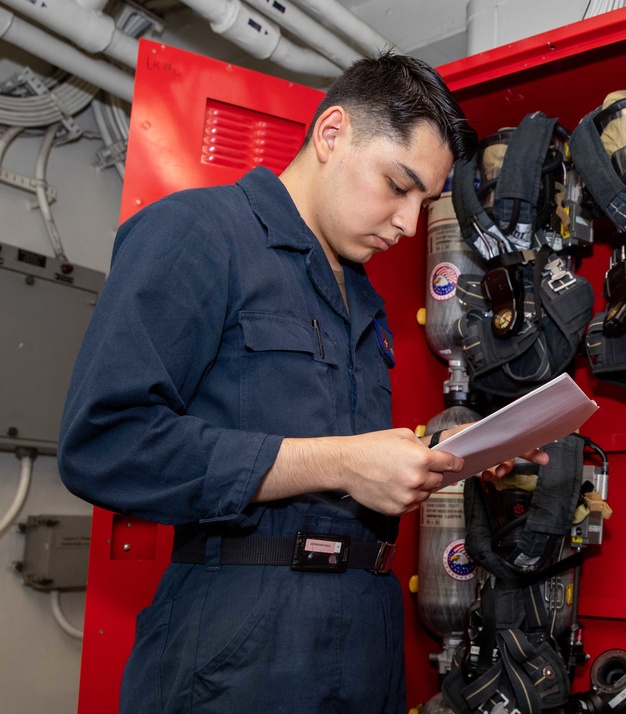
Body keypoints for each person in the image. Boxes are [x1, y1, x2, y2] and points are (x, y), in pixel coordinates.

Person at [58, 52, 547, 713]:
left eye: (424, 202)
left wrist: (452, 454)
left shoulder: (363, 297)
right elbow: (104, 444)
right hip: (241, 649)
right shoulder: (198, 234)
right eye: (397, 185)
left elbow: (335, 455)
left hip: (365, 640)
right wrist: (343, 462)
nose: (408, 225)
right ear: (332, 134)